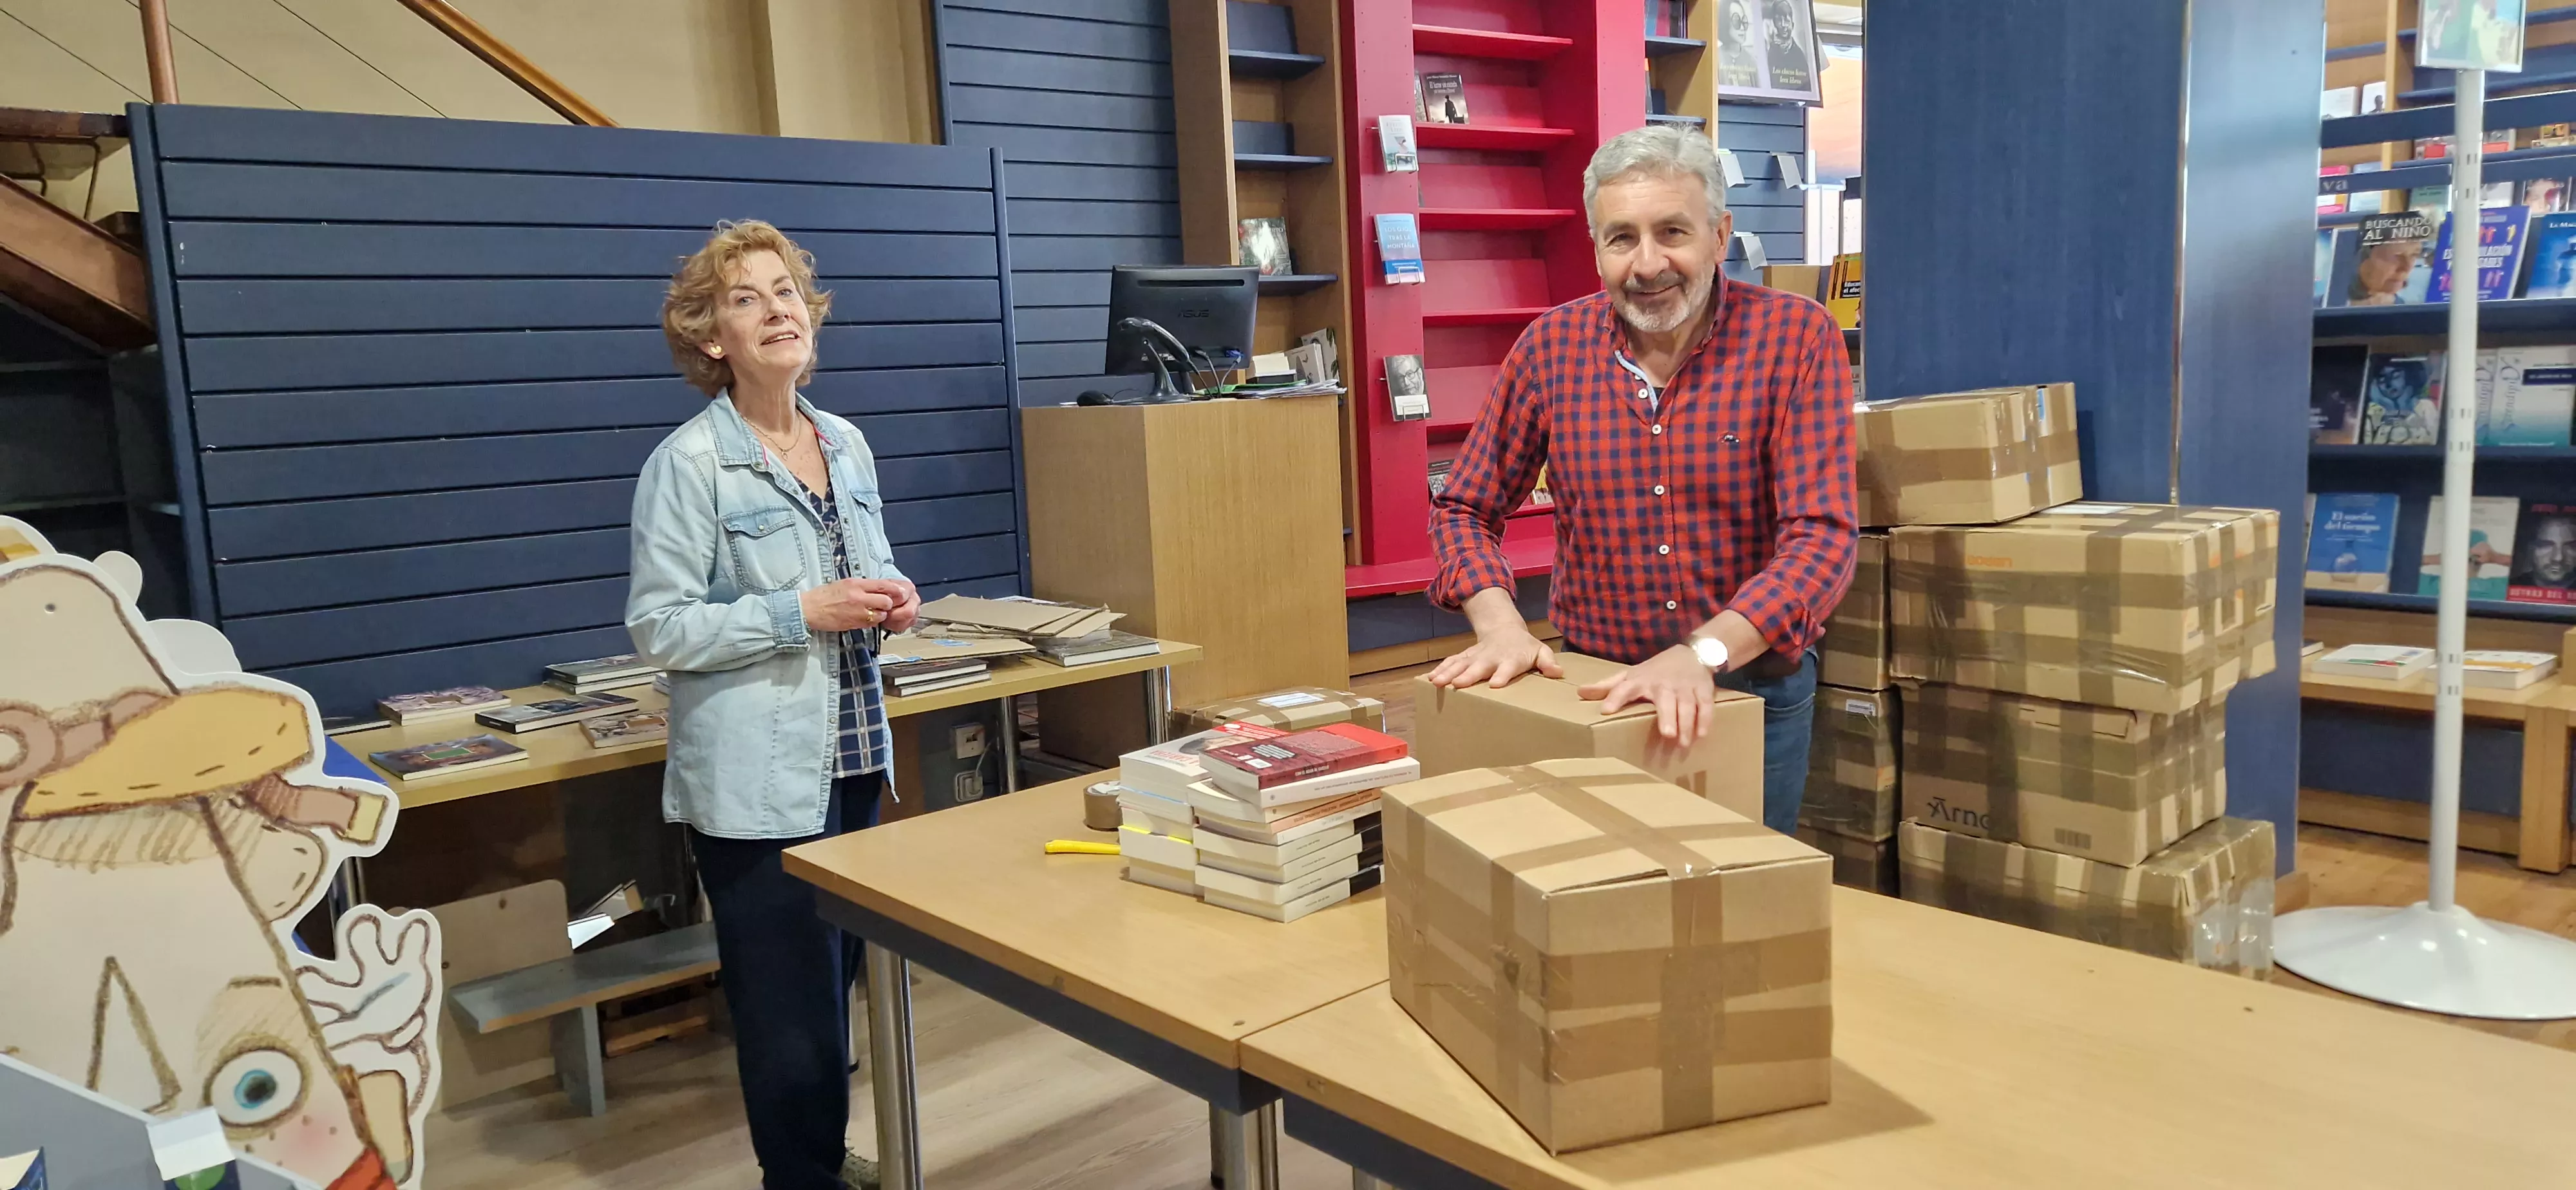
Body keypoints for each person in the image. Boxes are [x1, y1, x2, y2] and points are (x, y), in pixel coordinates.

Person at [1425, 125, 1857, 836]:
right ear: (1596, 247)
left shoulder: (1795, 337)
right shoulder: (1549, 349)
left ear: (1720, 237)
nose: (1647, 263)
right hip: (1593, 691)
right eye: (1621, 238)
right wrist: (1500, 625)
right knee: (1594, 907)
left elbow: (1821, 539)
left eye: (1673, 233)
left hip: (1744, 690)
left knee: (1741, 908)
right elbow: (1463, 506)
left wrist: (1702, 655)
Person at [627, 220, 918, 1190]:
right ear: (713, 339)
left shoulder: (846, 441)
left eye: (786, 290)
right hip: (757, 782)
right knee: (786, 1016)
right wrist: (802, 612)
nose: (778, 308)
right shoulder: (690, 465)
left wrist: (890, 593)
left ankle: (817, 1164)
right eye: (746, 299)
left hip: (853, 758)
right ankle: (799, 1181)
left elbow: (859, 571)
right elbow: (661, 629)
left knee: (830, 999)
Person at [2514, 511, 2576, 594]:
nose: (2558, 558)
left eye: (2570, 547)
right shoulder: (2507, 588)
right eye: (2546, 546)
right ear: (2531, 549)